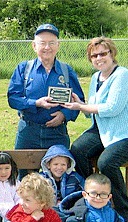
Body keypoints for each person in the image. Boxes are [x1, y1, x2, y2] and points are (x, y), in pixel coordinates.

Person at [63, 37, 128, 222]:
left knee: (107, 162)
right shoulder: (95, 78)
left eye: (103, 53)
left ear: (112, 53)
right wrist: (81, 104)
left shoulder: (123, 75)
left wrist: (81, 107)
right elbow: (94, 111)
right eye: (94, 55)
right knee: (77, 150)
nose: (99, 58)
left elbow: (112, 108)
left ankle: (124, 213)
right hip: (103, 131)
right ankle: (92, 202)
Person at [7, 24, 85, 163]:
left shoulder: (66, 71)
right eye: (42, 43)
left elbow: (78, 100)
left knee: (58, 175)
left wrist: (64, 115)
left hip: (57, 133)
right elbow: (13, 99)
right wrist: (36, 103)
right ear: (34, 46)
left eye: (51, 43)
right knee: (25, 177)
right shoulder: (24, 69)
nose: (47, 47)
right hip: (28, 132)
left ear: (58, 45)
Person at [39, 144, 84, 221]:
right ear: (48, 165)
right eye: (55, 164)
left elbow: (85, 190)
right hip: (49, 209)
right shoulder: (42, 178)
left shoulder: (75, 177)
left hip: (69, 209)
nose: (59, 168)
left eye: (63, 164)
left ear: (68, 165)